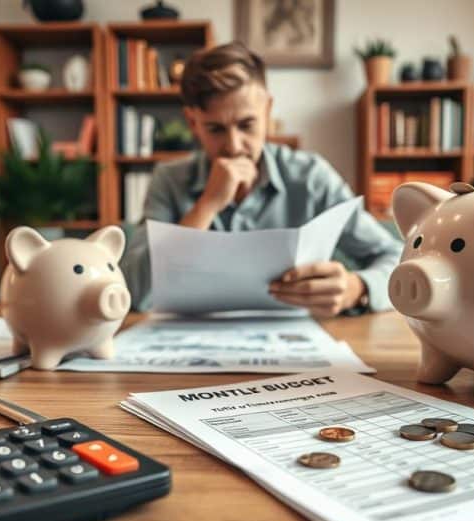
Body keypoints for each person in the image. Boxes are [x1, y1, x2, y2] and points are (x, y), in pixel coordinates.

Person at [120, 42, 403, 317]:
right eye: (215, 128)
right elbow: (133, 290)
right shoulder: (168, 180)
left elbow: (398, 258)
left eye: (247, 125)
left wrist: (357, 288)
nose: (234, 145)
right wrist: (206, 207)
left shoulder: (311, 177)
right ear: (193, 122)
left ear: (267, 110)